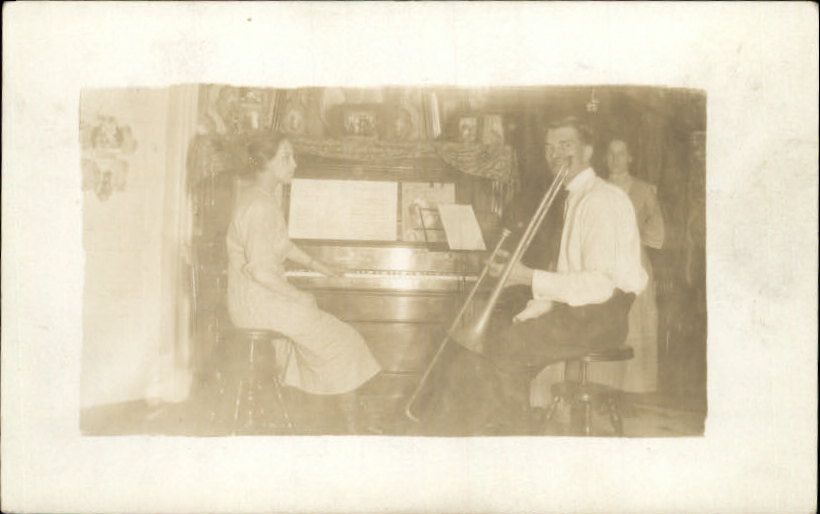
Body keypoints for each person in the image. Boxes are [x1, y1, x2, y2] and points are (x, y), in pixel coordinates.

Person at [425, 117, 647, 435]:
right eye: (549, 147)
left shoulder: (602, 200)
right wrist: (536, 303)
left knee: (506, 346)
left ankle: (509, 437)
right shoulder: (574, 196)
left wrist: (526, 277)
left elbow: (598, 285)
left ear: (587, 150)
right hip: (579, 311)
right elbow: (571, 275)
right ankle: (461, 429)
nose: (555, 154)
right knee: (492, 338)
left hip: (603, 316)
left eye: (565, 145)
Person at [225, 134, 381, 432]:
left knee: (315, 341)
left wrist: (320, 266)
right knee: (345, 342)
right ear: (265, 164)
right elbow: (260, 271)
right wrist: (297, 296)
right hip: (258, 305)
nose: (294, 163)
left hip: (257, 300)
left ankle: (302, 419)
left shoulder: (260, 197)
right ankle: (353, 429)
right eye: (286, 157)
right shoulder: (260, 206)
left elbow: (282, 246)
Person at [591, 138, 665, 392]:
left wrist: (632, 240)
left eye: (621, 154)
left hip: (634, 263)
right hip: (600, 261)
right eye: (610, 154)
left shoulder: (645, 190)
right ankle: (601, 384)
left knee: (633, 321)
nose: (615, 159)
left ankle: (630, 388)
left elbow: (657, 234)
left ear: (630, 157)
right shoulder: (596, 188)